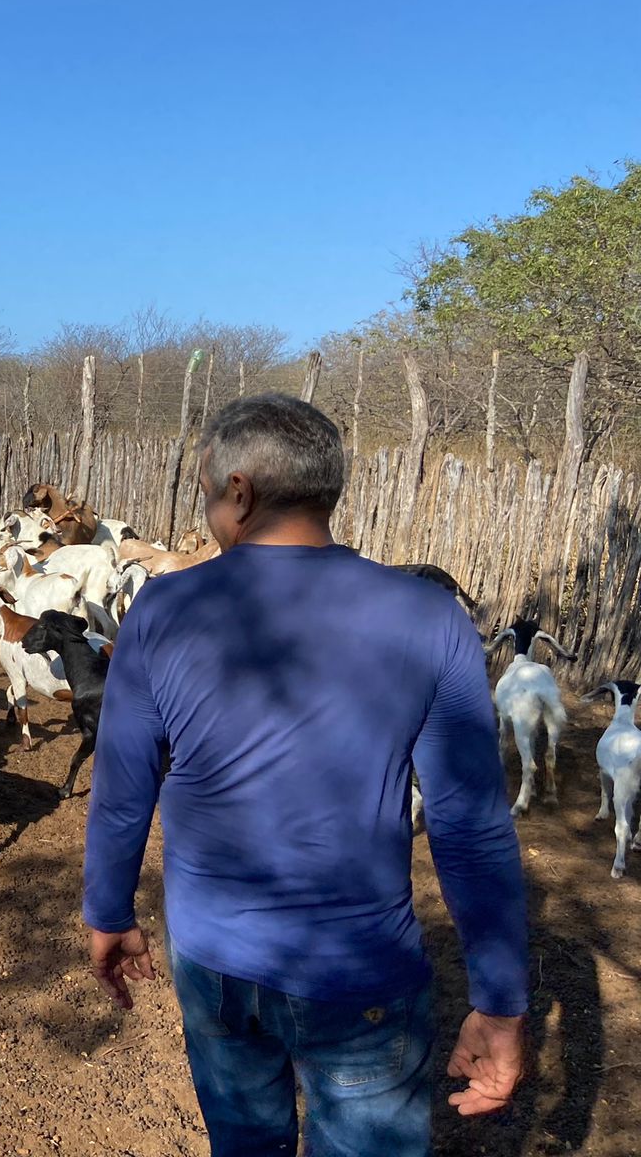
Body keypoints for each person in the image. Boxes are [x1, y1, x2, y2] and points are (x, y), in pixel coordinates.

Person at [84, 394, 527, 1157]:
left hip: (216, 963)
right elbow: (469, 823)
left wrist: (109, 911)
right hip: (361, 975)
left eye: (206, 491)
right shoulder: (428, 616)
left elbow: (124, 787)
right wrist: (501, 1000)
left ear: (241, 493)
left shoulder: (164, 609)